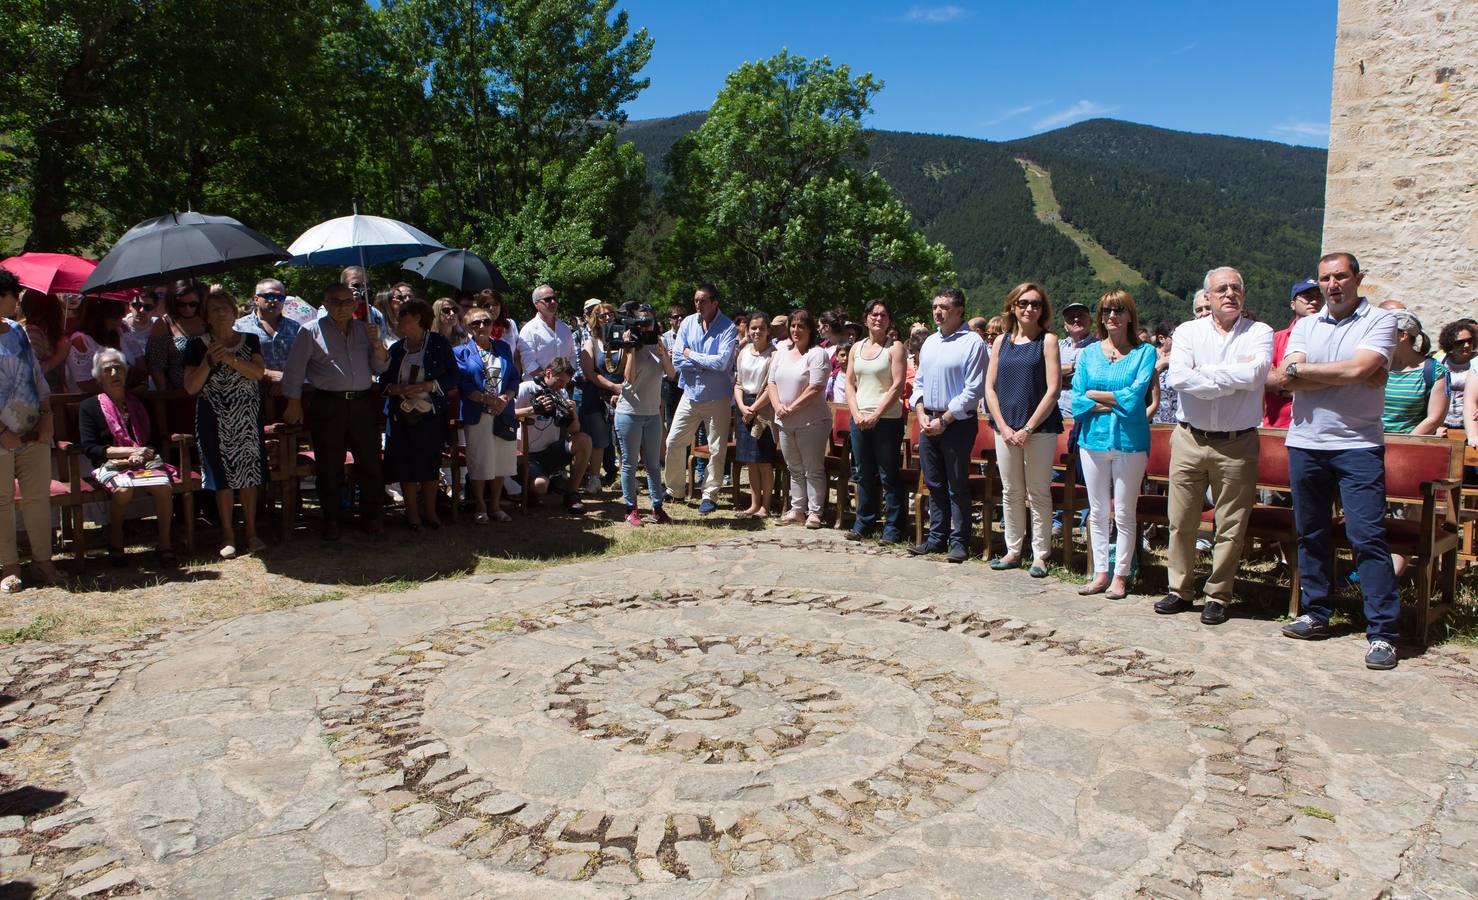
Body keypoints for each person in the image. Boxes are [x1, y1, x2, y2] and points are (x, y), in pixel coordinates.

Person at [1266, 252, 1401, 669]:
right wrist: (1352, 372)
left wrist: (1314, 374)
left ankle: (1383, 634)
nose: (1332, 285)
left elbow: (1358, 370)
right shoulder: (1306, 325)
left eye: (1340, 277)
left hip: (1358, 445)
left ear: (1358, 278)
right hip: (1306, 442)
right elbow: (1289, 376)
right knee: (1310, 533)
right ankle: (1316, 612)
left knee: (1367, 537)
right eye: (1325, 279)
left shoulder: (1380, 320)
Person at [1159, 266, 1274, 626]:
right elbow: (1178, 378)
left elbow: (1255, 376)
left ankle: (1218, 595)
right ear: (1207, 297)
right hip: (1190, 438)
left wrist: (1204, 375)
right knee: (1181, 521)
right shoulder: (1188, 331)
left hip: (1237, 443)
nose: (1229, 294)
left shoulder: (1260, 332)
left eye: (1236, 288)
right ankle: (1179, 590)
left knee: (1231, 525)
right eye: (1221, 289)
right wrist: (1231, 377)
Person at [282, 283, 390, 540]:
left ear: (355, 304)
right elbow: (294, 371)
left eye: (346, 301)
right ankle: (331, 519)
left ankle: (371, 516)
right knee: (330, 466)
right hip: (328, 404)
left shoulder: (367, 331)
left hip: (362, 403)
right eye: (335, 301)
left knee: (370, 463)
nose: (341, 307)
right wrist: (293, 402)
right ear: (326, 303)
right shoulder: (310, 331)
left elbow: (381, 368)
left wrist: (377, 345)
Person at [1071, 291, 1156, 598]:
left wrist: (1096, 396)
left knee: (1123, 511)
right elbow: (1077, 400)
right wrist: (1109, 402)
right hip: (1092, 439)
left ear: (1130, 315)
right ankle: (1099, 572)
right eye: (1106, 310)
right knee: (1096, 510)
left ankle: (1120, 575)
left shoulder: (1144, 353)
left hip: (1130, 441)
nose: (1112, 316)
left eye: (1119, 310)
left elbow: (1135, 400)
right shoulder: (1090, 353)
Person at [183, 289, 269, 558]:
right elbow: (190, 387)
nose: (221, 312)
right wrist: (209, 361)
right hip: (214, 418)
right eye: (214, 308)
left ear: (235, 311)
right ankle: (228, 535)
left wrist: (230, 359)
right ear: (206, 315)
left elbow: (257, 372)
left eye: (225, 307)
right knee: (222, 478)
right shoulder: (196, 345)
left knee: (249, 475)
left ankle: (252, 533)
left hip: (246, 415)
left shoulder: (251, 340)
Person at [984, 283, 1062, 573]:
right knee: (1011, 491)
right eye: (1023, 303)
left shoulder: (1049, 341)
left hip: (1038, 428)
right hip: (1005, 427)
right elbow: (989, 388)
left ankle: (1040, 554)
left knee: (1039, 491)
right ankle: (1012, 551)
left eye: (1036, 304)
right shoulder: (1000, 341)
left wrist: (1027, 428)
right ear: (1012, 307)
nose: (1030, 308)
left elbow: (1053, 390)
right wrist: (1004, 427)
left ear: (1043, 309)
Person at [78, 348, 177, 566]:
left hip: (145, 461)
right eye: (108, 369)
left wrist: (143, 454)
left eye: (118, 368)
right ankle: (115, 539)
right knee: (123, 491)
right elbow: (90, 447)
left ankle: (164, 544)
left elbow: (155, 440)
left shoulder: (141, 403)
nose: (114, 373)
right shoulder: (89, 407)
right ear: (98, 377)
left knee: (164, 487)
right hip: (111, 464)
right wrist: (130, 452)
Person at [911, 287, 988, 563]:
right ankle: (936, 538)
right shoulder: (930, 342)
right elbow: (918, 382)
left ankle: (959, 541)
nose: (937, 312)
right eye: (934, 307)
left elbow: (973, 390)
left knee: (957, 484)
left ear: (959, 311)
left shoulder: (973, 343)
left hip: (957, 423)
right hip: (928, 419)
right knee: (934, 483)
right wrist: (920, 412)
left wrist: (945, 420)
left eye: (943, 307)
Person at [0, 269, 61, 592]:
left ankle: (43, 562)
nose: (18, 301)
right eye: (14, 294)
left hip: (32, 427)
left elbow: (36, 375)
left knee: (38, 496)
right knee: (2, 500)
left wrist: (48, 416)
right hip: (1, 435)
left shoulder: (16, 331)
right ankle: (8, 568)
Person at [380, 299, 460, 530]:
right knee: (406, 465)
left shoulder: (438, 343)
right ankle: (412, 514)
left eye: (403, 316)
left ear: (416, 317)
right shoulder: (395, 349)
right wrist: (397, 390)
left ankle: (431, 513)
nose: (399, 321)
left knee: (429, 464)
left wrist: (429, 386)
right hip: (401, 416)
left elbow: (452, 376)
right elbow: (383, 382)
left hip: (431, 415)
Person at [663, 283, 739, 515]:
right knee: (674, 441)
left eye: (703, 300)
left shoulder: (728, 327)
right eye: (696, 300)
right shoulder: (687, 323)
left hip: (717, 398)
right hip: (691, 394)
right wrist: (703, 361)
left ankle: (709, 494)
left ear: (715, 302)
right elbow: (677, 360)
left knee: (716, 449)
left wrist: (691, 355)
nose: (698, 305)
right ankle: (675, 489)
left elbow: (722, 363)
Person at [846, 298, 908, 544]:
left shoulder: (895, 348)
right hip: (860, 419)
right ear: (866, 319)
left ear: (889, 320)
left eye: (883, 315)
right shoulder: (856, 348)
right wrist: (857, 414)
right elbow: (850, 384)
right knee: (863, 473)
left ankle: (893, 528)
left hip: (886, 420)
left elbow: (897, 386)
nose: (878, 318)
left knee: (888, 474)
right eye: (874, 314)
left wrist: (875, 415)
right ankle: (864, 523)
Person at [767, 309, 832, 528]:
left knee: (812, 467)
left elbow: (816, 387)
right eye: (793, 326)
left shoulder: (817, 354)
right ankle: (797, 509)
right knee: (794, 467)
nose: (796, 330)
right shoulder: (781, 352)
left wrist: (792, 407)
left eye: (801, 326)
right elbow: (771, 382)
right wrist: (777, 406)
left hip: (811, 421)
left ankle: (815, 512)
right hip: (784, 421)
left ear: (810, 330)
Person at [613, 302, 676, 526]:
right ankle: (631, 508)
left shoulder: (658, 344)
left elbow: (671, 374)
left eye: (649, 321)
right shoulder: (628, 346)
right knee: (630, 463)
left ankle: (657, 507)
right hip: (629, 413)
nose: (646, 326)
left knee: (652, 464)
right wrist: (630, 349)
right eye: (642, 321)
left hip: (652, 414)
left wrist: (662, 352)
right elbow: (628, 378)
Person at [455, 307, 520, 523]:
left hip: (503, 411)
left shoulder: (503, 347)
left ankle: (495, 504)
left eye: (486, 321)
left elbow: (513, 378)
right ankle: (480, 504)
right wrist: (487, 400)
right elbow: (463, 384)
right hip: (478, 413)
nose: (482, 326)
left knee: (501, 459)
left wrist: (506, 398)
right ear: (467, 327)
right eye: (476, 323)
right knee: (481, 460)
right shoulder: (461, 352)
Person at [514, 357, 593, 510]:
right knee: (540, 486)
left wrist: (573, 414)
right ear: (548, 373)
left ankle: (571, 493)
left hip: (549, 453)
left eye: (565, 383)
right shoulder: (526, 387)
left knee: (584, 440)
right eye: (559, 381)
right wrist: (533, 410)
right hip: (524, 454)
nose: (561, 386)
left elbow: (574, 430)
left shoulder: (561, 393)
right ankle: (530, 490)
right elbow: (508, 413)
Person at [1264, 279, 1325, 428]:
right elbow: (1263, 378)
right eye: (1307, 296)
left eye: (1318, 296)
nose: (1314, 301)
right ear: (1293, 304)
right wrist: (1313, 386)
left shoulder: (1331, 339)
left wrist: (1288, 388)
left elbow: (1335, 380)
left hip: (1319, 425)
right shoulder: (1276, 338)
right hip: (1279, 425)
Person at [734, 313, 778, 518]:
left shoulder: (774, 355)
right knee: (750, 460)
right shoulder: (743, 352)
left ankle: (766, 506)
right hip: (744, 407)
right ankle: (754, 503)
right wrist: (743, 407)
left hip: (764, 410)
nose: (757, 332)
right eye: (753, 328)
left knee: (763, 460)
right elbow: (738, 384)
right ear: (747, 330)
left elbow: (772, 387)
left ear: (768, 331)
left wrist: (754, 409)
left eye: (761, 328)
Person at [578, 301, 621, 495]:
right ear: (596, 320)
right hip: (596, 396)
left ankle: (626, 478)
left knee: (624, 439)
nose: (607, 318)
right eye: (602, 315)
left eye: (610, 314)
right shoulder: (591, 342)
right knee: (599, 440)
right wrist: (612, 386)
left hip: (623, 395)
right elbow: (589, 372)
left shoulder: (624, 340)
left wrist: (622, 390)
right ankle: (594, 479)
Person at [1382, 311, 1447, 434]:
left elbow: (1434, 419)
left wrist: (1402, 445)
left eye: (1384, 332)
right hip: (1370, 445)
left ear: (1403, 336)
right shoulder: (1376, 365)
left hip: (1409, 447)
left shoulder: (1435, 371)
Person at [234, 278, 302, 386]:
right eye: (270, 296)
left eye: (280, 297)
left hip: (289, 390)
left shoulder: (295, 327)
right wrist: (268, 374)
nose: (275, 301)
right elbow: (235, 361)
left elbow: (302, 360)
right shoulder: (239, 327)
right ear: (256, 299)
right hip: (252, 392)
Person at [146, 279, 207, 390]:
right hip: (177, 393)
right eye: (181, 304)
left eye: (192, 304)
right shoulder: (164, 324)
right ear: (173, 302)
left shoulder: (208, 320)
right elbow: (156, 367)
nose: (187, 308)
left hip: (211, 390)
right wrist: (164, 396)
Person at [64, 298, 125, 393]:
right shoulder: (81, 340)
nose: (123, 314)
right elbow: (84, 383)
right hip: (89, 402)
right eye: (119, 310)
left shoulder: (118, 333)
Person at [520, 284, 577, 376]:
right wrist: (548, 381)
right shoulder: (528, 330)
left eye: (555, 298)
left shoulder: (565, 328)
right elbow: (528, 362)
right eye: (547, 299)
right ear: (536, 303)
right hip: (537, 387)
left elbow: (572, 356)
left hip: (563, 387)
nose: (553, 302)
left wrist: (565, 378)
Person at [20, 291, 68, 393]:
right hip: (39, 400)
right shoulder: (32, 332)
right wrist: (59, 356)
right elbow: (31, 371)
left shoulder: (44, 331)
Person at [1056, 301, 1097, 422]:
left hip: (1082, 415)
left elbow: (1092, 379)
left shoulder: (1099, 348)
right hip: (1051, 414)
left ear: (1090, 321)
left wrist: (1056, 379)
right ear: (1065, 325)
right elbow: (1042, 373)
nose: (1076, 319)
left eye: (1081, 315)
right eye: (1070, 317)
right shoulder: (1056, 345)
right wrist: (1075, 368)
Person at [1437, 318, 1476, 435]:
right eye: (1460, 342)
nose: (1467, 345)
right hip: (1443, 424)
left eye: (1470, 340)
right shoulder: (1439, 361)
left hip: (1471, 423)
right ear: (1450, 344)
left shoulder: (1476, 362)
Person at [120, 290, 159, 381]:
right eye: (136, 305)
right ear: (130, 305)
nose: (141, 310)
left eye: (147, 307)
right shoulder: (120, 326)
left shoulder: (159, 325)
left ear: (155, 308)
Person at [660, 304, 686, 431]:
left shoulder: (689, 336)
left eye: (682, 316)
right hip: (670, 383)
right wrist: (666, 356)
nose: (680, 319)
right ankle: (671, 448)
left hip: (686, 381)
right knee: (671, 417)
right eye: (676, 317)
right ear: (670, 320)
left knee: (686, 419)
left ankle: (686, 450)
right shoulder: (663, 338)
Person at [1151, 321, 1180, 425]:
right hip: (1157, 415)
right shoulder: (1150, 355)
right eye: (1175, 337)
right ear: (1161, 338)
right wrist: (1162, 363)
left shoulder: (1183, 355)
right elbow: (1144, 379)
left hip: (1180, 416)